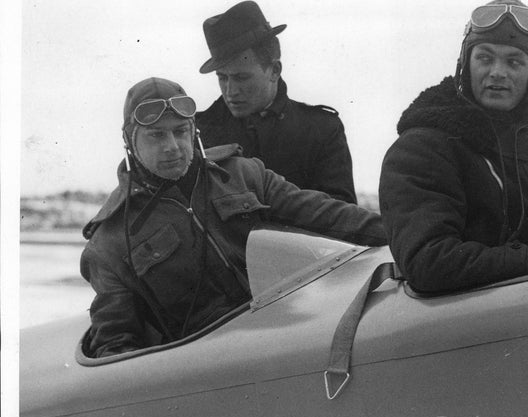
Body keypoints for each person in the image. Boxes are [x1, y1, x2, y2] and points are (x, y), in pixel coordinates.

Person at [80, 77, 386, 358]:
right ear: (131, 144)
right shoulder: (109, 241)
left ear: (194, 132)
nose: (172, 147)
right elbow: (116, 348)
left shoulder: (243, 174)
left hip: (294, 337)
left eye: (180, 132)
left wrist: (400, 234)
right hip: (213, 369)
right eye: (156, 136)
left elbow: (328, 215)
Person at [379, 0, 528, 293]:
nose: (498, 72)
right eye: (485, 58)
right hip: (464, 326)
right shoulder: (424, 147)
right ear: (465, 64)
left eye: (514, 61)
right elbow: (429, 262)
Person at [195, 0, 358, 203]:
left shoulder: (321, 130)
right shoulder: (198, 134)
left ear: (275, 71)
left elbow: (342, 215)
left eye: (241, 78)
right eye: (222, 78)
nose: (230, 91)